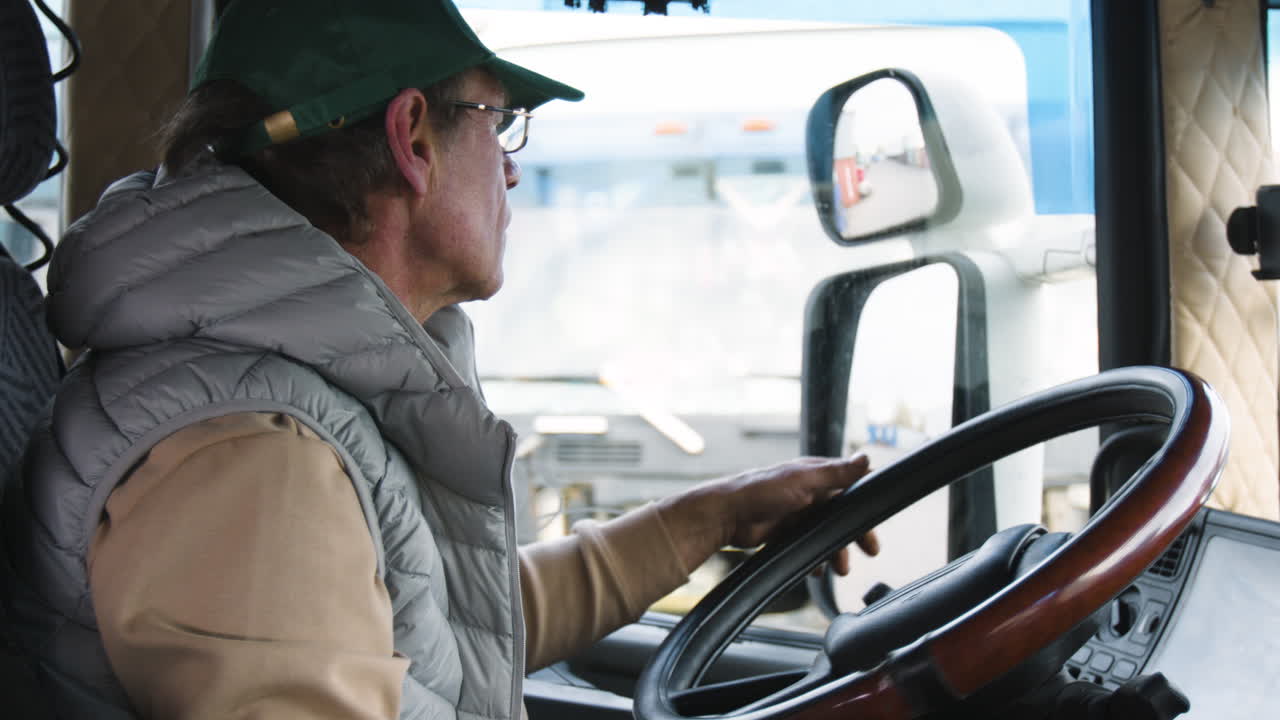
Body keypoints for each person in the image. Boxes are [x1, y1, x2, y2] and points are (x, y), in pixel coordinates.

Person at [1, 1, 877, 718]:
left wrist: (707, 520)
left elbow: (432, 631)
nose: (512, 173)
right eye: (500, 125)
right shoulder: (253, 458)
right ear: (413, 137)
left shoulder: (299, 395)